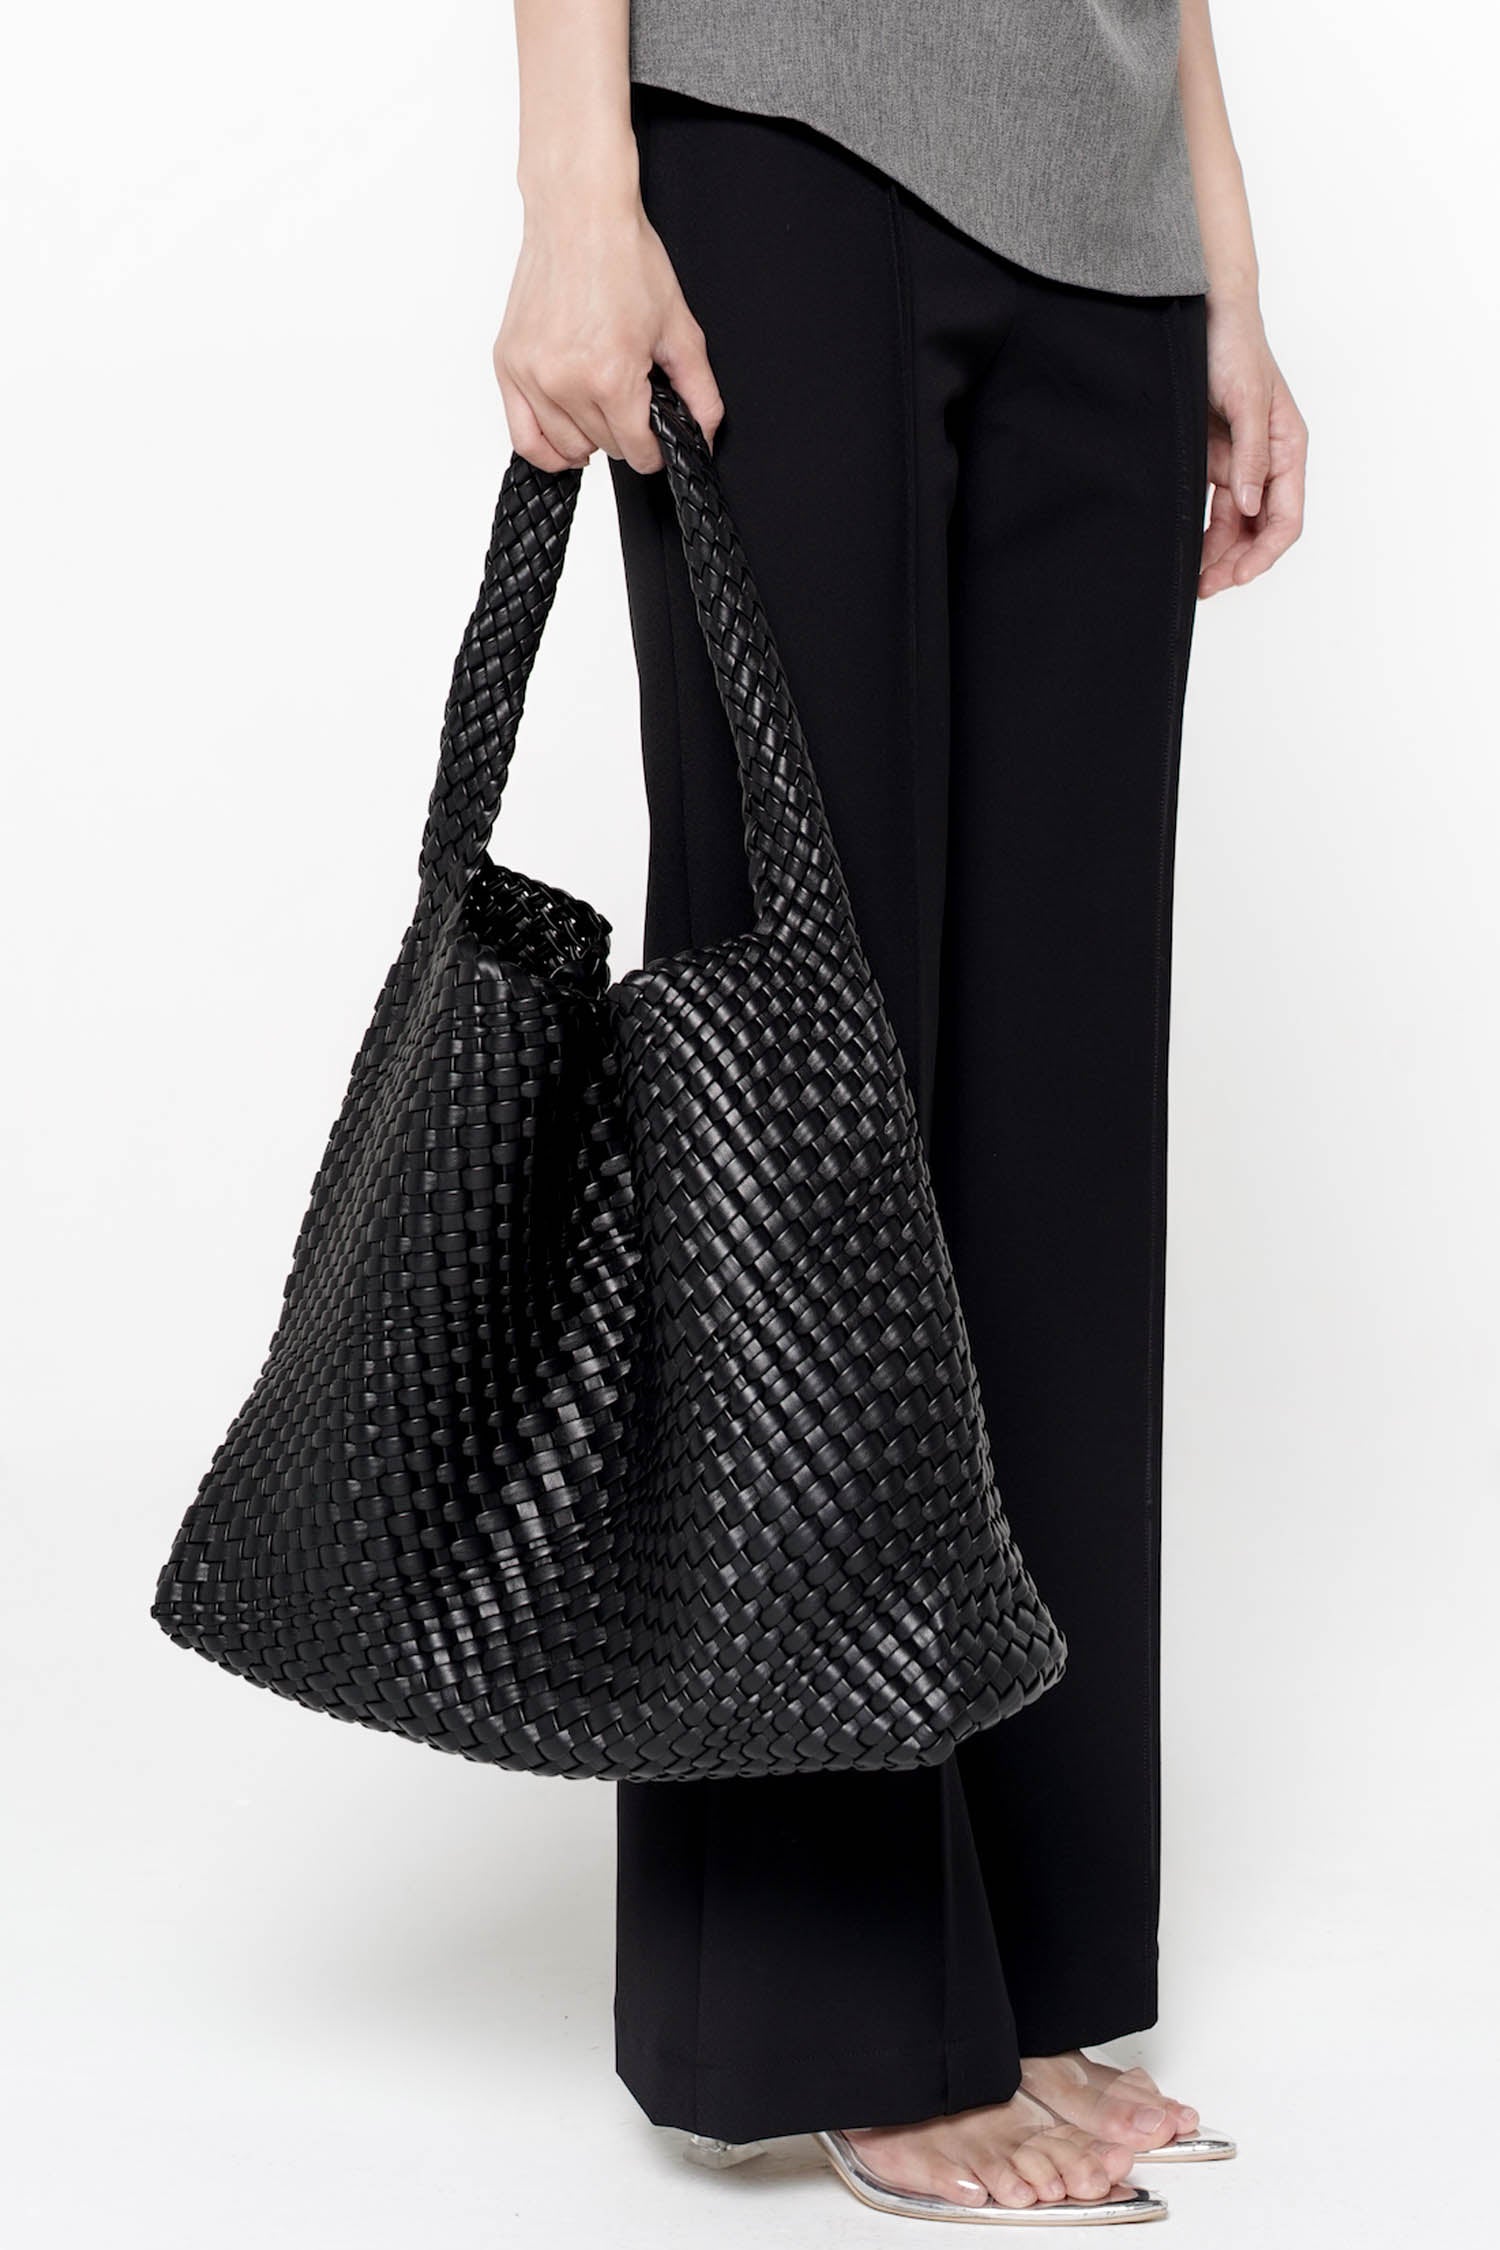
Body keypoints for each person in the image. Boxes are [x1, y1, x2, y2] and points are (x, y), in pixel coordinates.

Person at [493, 0, 1306, 2224]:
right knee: (802, 1106)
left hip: (1110, 232)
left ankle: (1020, 1962)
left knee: (1058, 1139)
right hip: (775, 146)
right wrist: (577, 184)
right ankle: (838, 2000)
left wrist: (1223, 256)